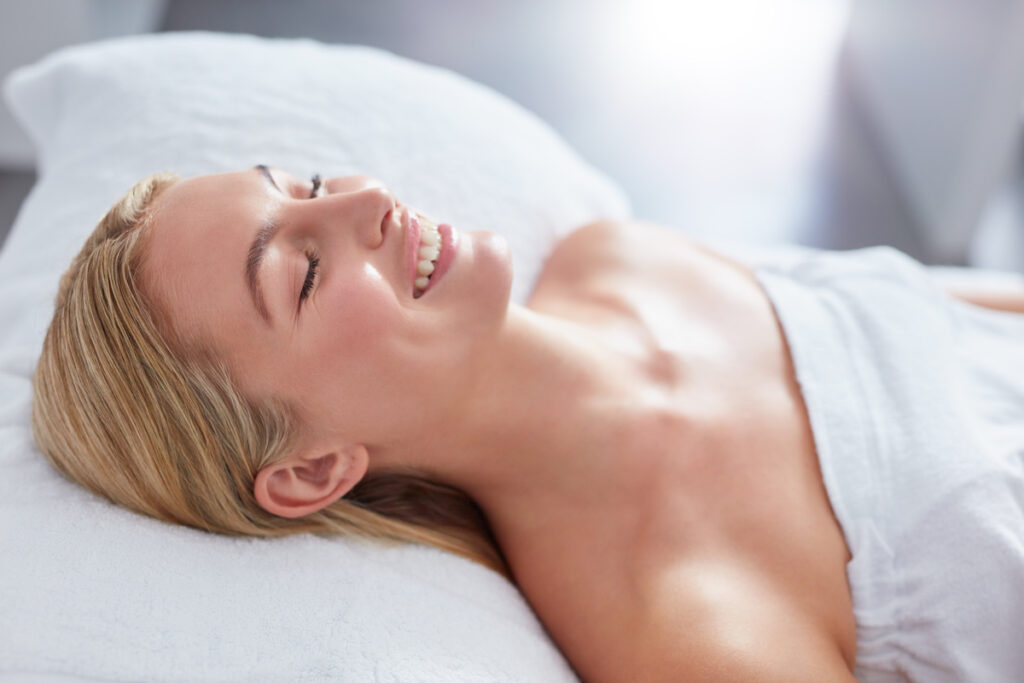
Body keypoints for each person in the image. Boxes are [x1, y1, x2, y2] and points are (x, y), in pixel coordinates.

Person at [32, 167, 1024, 682]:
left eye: (309, 185)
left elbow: (959, 314)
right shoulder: (677, 618)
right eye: (303, 268)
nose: (369, 201)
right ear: (309, 470)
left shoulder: (620, 257)